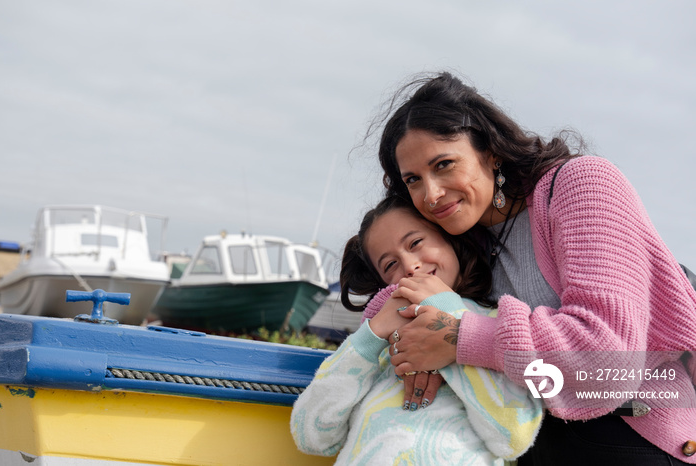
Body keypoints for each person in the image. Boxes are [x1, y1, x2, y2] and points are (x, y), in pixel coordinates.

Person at [373, 71, 696, 465]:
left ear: (491, 153)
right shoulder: (458, 243)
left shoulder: (581, 184)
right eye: (413, 180)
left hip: (632, 437)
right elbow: (404, 311)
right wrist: (412, 348)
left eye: (443, 164)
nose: (431, 193)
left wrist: (459, 339)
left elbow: (608, 358)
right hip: (535, 447)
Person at [290, 195, 543, 465]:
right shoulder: (377, 344)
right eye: (390, 265)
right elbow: (312, 437)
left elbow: (514, 436)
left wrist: (447, 320)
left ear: (450, 239)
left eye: (415, 243)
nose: (410, 266)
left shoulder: (495, 327)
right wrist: (371, 336)